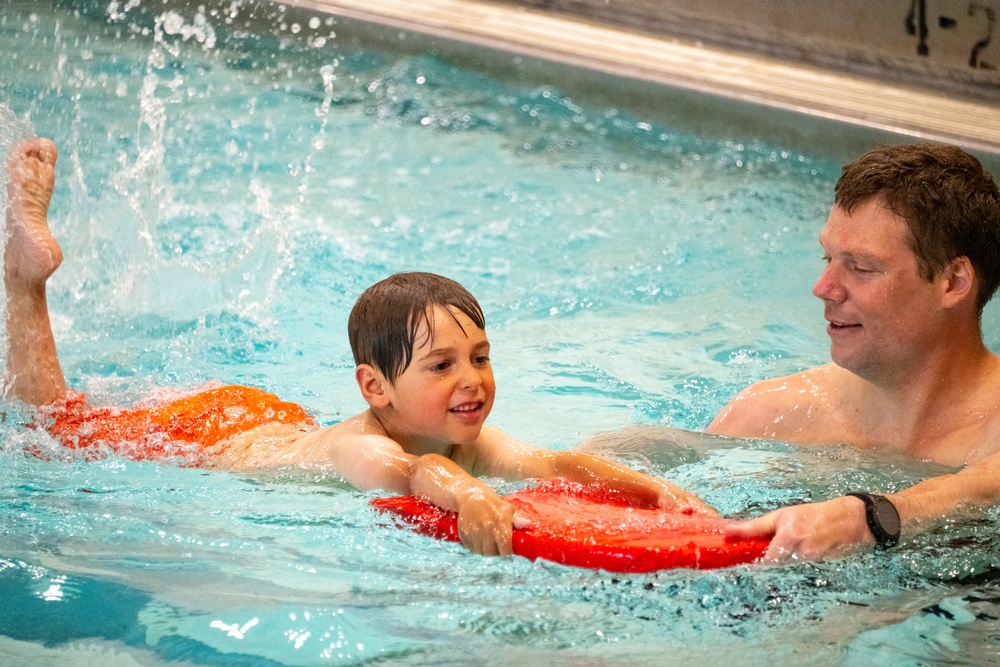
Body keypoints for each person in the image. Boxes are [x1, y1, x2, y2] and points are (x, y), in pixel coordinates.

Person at [3, 137, 712, 557]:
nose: (472, 380)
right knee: (54, 426)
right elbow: (411, 476)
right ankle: (23, 280)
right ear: (375, 388)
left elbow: (553, 461)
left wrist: (645, 486)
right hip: (197, 438)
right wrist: (467, 494)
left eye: (481, 356)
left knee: (64, 420)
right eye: (441, 365)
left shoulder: (460, 432)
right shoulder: (367, 448)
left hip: (261, 414)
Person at [706, 142, 1000, 562]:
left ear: (953, 281)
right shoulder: (768, 416)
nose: (823, 288)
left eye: (861, 267)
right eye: (827, 258)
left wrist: (869, 518)